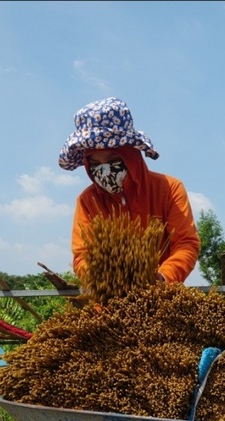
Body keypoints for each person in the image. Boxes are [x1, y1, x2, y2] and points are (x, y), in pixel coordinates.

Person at [58, 97, 200, 283]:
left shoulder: (169, 189)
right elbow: (82, 255)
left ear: (131, 154)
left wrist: (163, 277)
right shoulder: (88, 201)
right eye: (95, 163)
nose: (105, 169)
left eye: (112, 159)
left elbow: (186, 244)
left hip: (162, 300)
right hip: (107, 304)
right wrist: (102, 279)